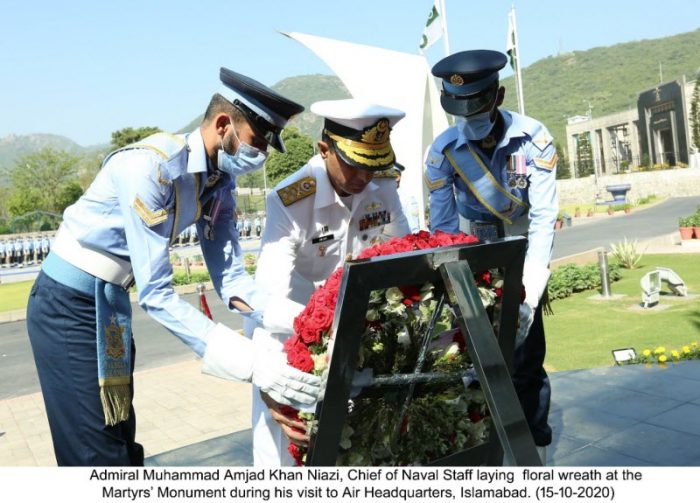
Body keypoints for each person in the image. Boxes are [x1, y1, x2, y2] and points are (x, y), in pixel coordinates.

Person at [26, 67, 321, 466]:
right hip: (66, 304)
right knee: (95, 454)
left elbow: (234, 281)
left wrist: (311, 320)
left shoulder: (217, 183)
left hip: (109, 302)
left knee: (122, 440)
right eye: (257, 141)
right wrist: (251, 364)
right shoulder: (153, 167)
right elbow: (157, 294)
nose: (262, 155)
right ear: (223, 125)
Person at [251, 98, 411, 466]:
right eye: (355, 165)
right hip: (288, 336)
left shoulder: (380, 185)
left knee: (355, 447)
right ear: (324, 149)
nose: (364, 177)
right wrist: (266, 371)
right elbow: (267, 295)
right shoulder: (290, 200)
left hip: (354, 335)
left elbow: (401, 253)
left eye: (374, 166)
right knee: (287, 454)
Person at [424, 50, 558, 463]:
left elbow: (542, 219)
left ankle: (534, 436)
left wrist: (530, 297)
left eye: (478, 105)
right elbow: (443, 231)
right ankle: (483, 437)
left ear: (497, 95)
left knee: (526, 355)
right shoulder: (444, 151)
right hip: (475, 255)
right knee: (471, 353)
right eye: (460, 108)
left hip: (522, 252)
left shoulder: (533, 140)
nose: (470, 116)